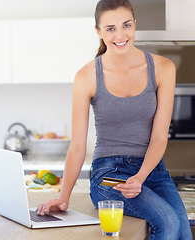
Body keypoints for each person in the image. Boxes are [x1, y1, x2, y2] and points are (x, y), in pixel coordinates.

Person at [36, 0, 193, 239]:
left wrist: (140, 177)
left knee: (183, 230)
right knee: (168, 223)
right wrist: (63, 197)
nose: (120, 35)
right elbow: (77, 146)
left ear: (134, 25)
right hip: (110, 174)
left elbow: (160, 136)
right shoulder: (86, 77)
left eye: (126, 25)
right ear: (98, 32)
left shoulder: (163, 68)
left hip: (153, 170)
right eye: (110, 28)